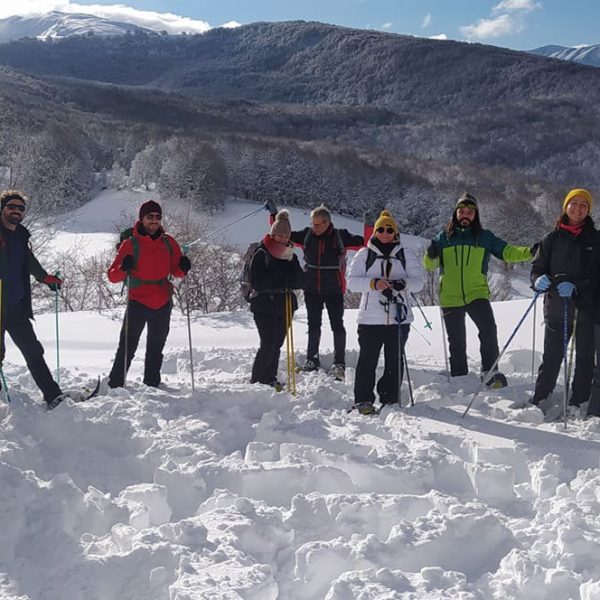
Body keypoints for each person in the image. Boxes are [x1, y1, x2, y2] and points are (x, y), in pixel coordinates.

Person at [424, 192, 534, 386]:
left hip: (477, 293)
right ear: (455, 214)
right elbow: (430, 266)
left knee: (488, 331)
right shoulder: (443, 238)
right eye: (462, 211)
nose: (465, 215)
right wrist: (431, 254)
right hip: (450, 296)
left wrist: (530, 252)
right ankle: (460, 377)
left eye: (469, 212)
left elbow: (508, 252)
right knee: (457, 342)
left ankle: (490, 373)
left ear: (475, 215)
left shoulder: (484, 237)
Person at [265, 201, 363, 379]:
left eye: (317, 224)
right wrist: (274, 215)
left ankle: (339, 362)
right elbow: (281, 234)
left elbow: (365, 243)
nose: (314, 227)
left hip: (334, 288)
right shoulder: (307, 235)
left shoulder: (341, 236)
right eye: (312, 223)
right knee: (313, 325)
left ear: (327, 223)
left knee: (337, 325)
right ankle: (312, 359)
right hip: (311, 288)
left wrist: (371, 224)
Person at [530, 189, 600, 418]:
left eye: (583, 205)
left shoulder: (595, 239)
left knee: (584, 359)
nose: (578, 208)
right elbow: (538, 268)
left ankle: (578, 402)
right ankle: (541, 397)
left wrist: (578, 288)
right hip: (556, 308)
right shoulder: (551, 238)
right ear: (565, 206)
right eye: (574, 203)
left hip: (586, 309)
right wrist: (537, 280)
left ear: (589, 210)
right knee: (551, 358)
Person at [347, 210, 424, 415]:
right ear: (374, 231)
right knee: (367, 360)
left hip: (399, 317)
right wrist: (374, 284)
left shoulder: (405, 254)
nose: (385, 232)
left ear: (395, 232)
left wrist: (403, 284)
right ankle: (363, 400)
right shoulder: (364, 254)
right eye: (380, 228)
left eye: (389, 229)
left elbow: (419, 283)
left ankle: (390, 399)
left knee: (395, 360)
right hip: (370, 318)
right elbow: (352, 283)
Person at [107, 200, 190, 388]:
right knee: (127, 347)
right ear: (142, 219)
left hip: (163, 301)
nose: (154, 221)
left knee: (156, 346)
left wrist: (183, 268)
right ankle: (115, 385)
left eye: (158, 217)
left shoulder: (169, 242)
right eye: (150, 217)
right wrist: (123, 267)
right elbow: (112, 276)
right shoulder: (130, 244)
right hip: (138, 301)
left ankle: (152, 384)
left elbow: (176, 271)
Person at [0, 190, 64, 409]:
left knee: (33, 351)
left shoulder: (20, 236)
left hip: (16, 307)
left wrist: (47, 279)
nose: (16, 211)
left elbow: (29, 262)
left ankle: (53, 395)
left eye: (20, 208)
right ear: (3, 209)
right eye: (12, 207)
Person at [249, 210, 303, 390]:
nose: (282, 238)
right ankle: (258, 380)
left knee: (277, 343)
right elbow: (255, 280)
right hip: (264, 304)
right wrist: (279, 276)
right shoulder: (262, 252)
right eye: (279, 235)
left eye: (286, 235)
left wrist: (295, 279)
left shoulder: (291, 255)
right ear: (273, 234)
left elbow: (298, 279)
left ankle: (270, 377)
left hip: (284, 304)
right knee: (268, 343)